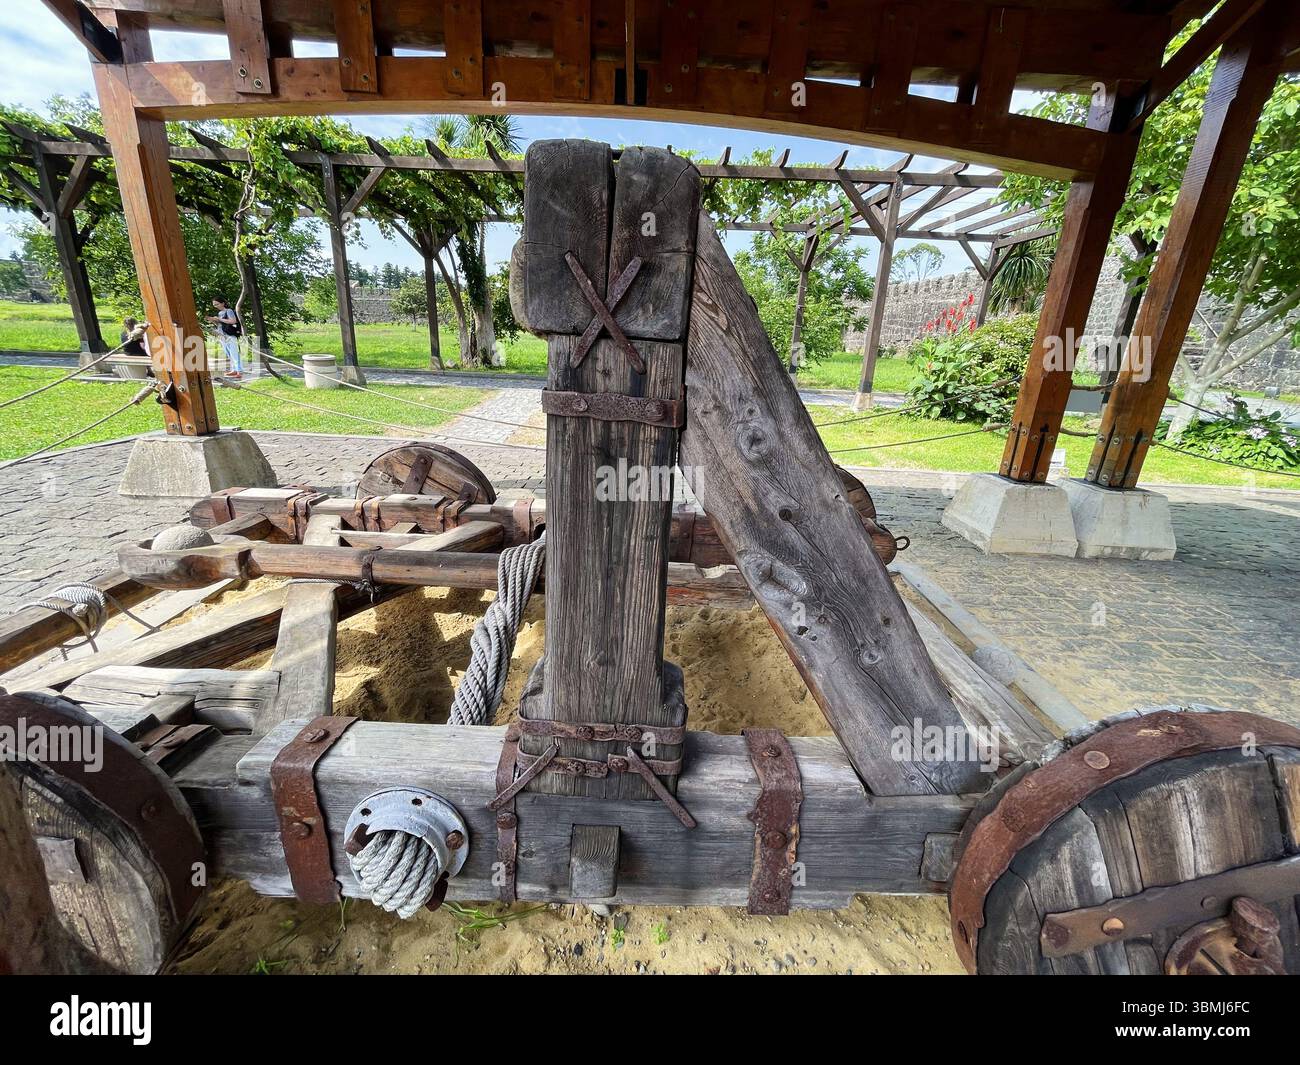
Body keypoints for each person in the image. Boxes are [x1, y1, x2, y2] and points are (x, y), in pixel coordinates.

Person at [205, 296, 243, 379]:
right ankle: (234, 370)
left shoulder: (228, 311)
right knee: (229, 353)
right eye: (214, 305)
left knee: (234, 353)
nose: (216, 306)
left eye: (217, 304)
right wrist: (213, 320)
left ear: (223, 303)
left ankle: (239, 371)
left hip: (230, 335)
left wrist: (219, 319)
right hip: (222, 335)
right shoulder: (220, 313)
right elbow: (220, 325)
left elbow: (233, 321)